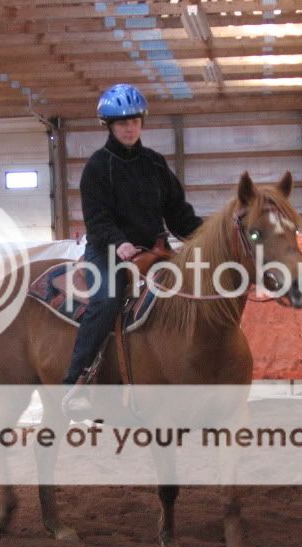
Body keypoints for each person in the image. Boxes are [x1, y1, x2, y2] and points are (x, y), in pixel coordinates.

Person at [62, 84, 203, 418]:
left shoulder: (155, 165)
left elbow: (179, 215)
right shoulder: (97, 167)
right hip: (108, 251)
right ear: (108, 125)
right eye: (121, 122)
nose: (129, 127)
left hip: (155, 251)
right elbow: (97, 219)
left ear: (142, 122)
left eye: (135, 120)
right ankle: (77, 382)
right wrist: (118, 242)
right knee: (107, 299)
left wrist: (208, 234)